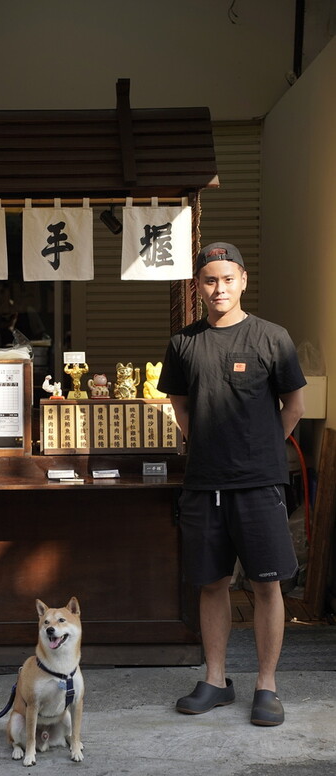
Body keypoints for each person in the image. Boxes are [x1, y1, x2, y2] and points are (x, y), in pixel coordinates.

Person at [157, 242, 306, 726]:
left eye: (227, 279)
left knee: (267, 584)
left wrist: (262, 448)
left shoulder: (272, 338)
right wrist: (201, 441)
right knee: (211, 583)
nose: (218, 288)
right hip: (204, 484)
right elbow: (179, 403)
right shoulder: (184, 343)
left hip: (260, 483)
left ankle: (267, 685)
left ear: (242, 280)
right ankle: (216, 680)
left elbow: (294, 406)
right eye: (208, 280)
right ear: (197, 286)